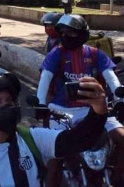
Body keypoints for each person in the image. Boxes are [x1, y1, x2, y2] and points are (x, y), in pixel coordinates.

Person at [0, 66, 109, 187]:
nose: (7, 106)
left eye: (10, 100)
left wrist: (99, 109)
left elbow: (79, 140)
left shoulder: (32, 139)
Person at [37, 14, 124, 186]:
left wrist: (119, 97)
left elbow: (111, 77)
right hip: (61, 111)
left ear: (82, 34)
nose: (65, 37)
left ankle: (117, 177)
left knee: (122, 139)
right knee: (55, 157)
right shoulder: (56, 54)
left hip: (96, 109)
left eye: (71, 33)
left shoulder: (94, 54)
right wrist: (40, 104)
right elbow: (45, 79)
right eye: (62, 32)